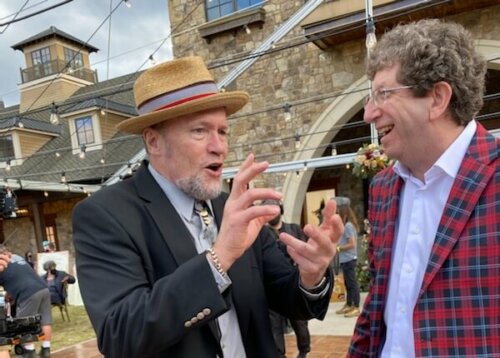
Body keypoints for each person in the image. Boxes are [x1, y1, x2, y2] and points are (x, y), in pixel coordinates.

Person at [72, 56, 343, 358]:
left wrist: (312, 274)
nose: (220, 147)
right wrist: (219, 259)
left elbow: (288, 296)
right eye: (200, 131)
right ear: (154, 142)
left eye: (223, 132)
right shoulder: (107, 214)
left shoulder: (232, 208)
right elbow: (119, 334)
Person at [349, 19, 499, 357]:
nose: (368, 113)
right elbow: (378, 311)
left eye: (383, 94)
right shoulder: (384, 188)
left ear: (437, 99)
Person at [263, 199, 311, 358]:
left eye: (274, 208)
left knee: (299, 320)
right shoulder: (262, 234)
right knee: (274, 324)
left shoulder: (294, 229)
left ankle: (304, 350)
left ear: (280, 209)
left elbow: (305, 250)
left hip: (293, 283)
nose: (271, 212)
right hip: (271, 285)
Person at [0, 245, 52, 358]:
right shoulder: (17, 257)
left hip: (27, 292)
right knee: (45, 320)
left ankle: (30, 352)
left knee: (24, 322)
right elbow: (23, 274)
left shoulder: (1, 264)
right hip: (43, 288)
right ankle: (46, 349)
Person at [332, 197, 360, 318]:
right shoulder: (346, 224)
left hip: (349, 258)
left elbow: (352, 244)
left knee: (352, 284)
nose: (336, 212)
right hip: (346, 259)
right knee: (348, 284)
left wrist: (338, 248)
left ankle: (356, 307)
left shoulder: (348, 226)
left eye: (338, 209)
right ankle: (349, 304)